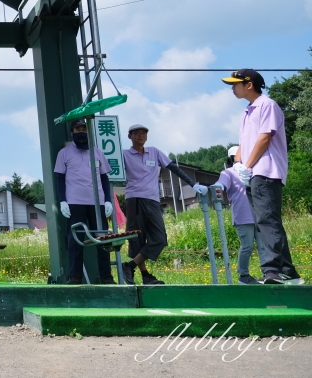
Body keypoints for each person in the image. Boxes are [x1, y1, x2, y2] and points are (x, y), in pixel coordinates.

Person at [223, 68, 303, 285]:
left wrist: (247, 165)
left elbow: (265, 138)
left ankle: (272, 270)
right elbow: (243, 145)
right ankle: (288, 271)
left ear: (249, 84)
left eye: (235, 83)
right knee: (264, 221)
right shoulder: (247, 112)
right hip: (252, 174)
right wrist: (239, 165)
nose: (232, 87)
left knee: (267, 221)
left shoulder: (267, 105)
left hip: (265, 171)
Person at [121, 124, 208, 285]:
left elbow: (173, 168)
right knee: (137, 240)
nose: (140, 136)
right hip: (134, 199)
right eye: (136, 133)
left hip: (153, 200)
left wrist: (192, 183)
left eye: (143, 133)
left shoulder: (154, 152)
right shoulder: (124, 154)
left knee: (160, 239)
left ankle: (129, 266)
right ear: (129, 136)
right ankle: (145, 275)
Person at [54, 118, 115, 284]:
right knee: (75, 240)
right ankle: (74, 276)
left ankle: (106, 277)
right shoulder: (64, 153)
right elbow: (60, 178)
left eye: (84, 128)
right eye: (78, 129)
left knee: (102, 239)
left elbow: (104, 177)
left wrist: (108, 200)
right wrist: (63, 201)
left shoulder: (97, 152)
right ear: (72, 132)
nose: (81, 132)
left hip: (98, 202)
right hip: (74, 202)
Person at [219, 146, 263, 284]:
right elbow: (220, 184)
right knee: (247, 246)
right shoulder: (228, 172)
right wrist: (217, 188)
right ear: (234, 157)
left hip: (259, 214)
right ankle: (243, 276)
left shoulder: (251, 170)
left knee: (264, 246)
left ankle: (268, 273)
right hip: (243, 216)